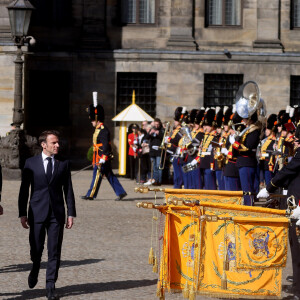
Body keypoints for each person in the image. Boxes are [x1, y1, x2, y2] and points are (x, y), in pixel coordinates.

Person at [18, 130, 76, 300]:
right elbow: (24, 191)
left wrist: (70, 213)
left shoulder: (63, 163)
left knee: (54, 250)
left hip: (57, 214)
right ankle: (35, 266)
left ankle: (50, 285)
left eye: (58, 143)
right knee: (36, 248)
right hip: (36, 212)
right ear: (44, 145)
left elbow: (69, 190)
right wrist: (22, 213)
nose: (57, 145)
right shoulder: (30, 163)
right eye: (54, 143)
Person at [257, 124, 300, 299]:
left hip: (298, 207)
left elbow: (289, 170)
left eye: (297, 139)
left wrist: (269, 187)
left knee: (297, 251)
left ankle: (298, 291)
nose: (295, 142)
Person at [81, 102, 127, 201]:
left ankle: (91, 194)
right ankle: (121, 192)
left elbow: (105, 145)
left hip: (101, 157)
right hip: (99, 156)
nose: (91, 122)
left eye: (92, 120)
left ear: (96, 120)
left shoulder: (103, 130)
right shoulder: (99, 129)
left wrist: (103, 157)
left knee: (97, 175)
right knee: (110, 175)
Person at [144, 118, 164, 186]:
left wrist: (159, 133)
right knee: (154, 166)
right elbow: (146, 137)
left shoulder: (162, 130)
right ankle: (155, 180)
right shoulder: (152, 128)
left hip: (159, 150)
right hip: (152, 151)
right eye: (156, 124)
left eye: (158, 124)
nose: (157, 125)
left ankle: (159, 180)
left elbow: (164, 138)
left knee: (159, 166)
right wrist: (150, 133)